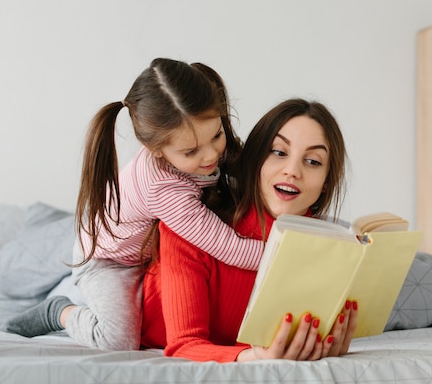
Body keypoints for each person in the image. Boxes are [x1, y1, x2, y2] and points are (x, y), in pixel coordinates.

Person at [4, 58, 265, 351]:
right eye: (191, 151)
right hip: (108, 260)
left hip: (130, 233)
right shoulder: (163, 189)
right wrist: (288, 255)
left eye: (216, 135)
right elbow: (228, 246)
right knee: (118, 340)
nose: (210, 156)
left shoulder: (204, 141)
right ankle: (60, 311)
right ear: (156, 150)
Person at [140, 98, 358, 362]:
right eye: (279, 152)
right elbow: (184, 345)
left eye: (313, 161)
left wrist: (318, 343)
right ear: (255, 161)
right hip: (128, 290)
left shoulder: (329, 248)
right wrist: (254, 357)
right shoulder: (189, 228)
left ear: (325, 182)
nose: (292, 171)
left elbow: (263, 339)